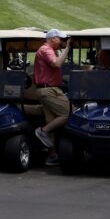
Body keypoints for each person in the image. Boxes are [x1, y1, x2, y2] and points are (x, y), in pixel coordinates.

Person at [33, 28, 72, 166]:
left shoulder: (50, 50)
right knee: (66, 113)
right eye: (60, 39)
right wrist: (67, 48)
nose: (62, 41)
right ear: (52, 38)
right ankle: (42, 131)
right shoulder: (46, 49)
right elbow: (56, 63)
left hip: (46, 90)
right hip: (49, 90)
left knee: (52, 122)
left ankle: (52, 155)